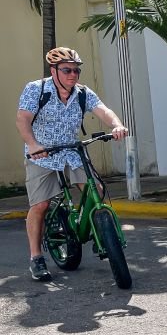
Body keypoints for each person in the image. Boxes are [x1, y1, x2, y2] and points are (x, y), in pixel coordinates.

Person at [16, 47, 129, 282]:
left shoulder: (82, 93)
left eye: (76, 70)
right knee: (41, 204)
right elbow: (23, 119)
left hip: (72, 150)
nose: (73, 75)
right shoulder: (36, 89)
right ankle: (36, 258)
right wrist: (33, 144)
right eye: (66, 70)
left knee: (95, 190)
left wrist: (116, 125)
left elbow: (104, 111)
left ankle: (102, 236)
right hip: (42, 153)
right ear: (53, 71)